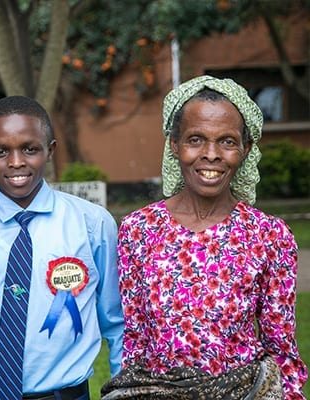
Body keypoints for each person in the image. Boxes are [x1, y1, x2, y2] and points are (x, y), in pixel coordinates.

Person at [101, 75, 308, 399]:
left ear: (245, 149)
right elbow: (136, 341)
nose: (211, 154)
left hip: (243, 392)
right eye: (195, 139)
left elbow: (282, 349)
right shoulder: (139, 230)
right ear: (174, 144)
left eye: (227, 141)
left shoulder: (270, 236)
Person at [0, 95, 124, 400]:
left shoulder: (92, 224)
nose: (16, 162)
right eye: (0, 152)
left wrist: (122, 392)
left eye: (30, 149)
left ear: (50, 151)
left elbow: (116, 322)